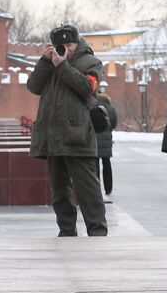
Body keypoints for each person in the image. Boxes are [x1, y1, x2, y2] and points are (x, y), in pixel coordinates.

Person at [27, 24, 108, 237]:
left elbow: (87, 88)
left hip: (78, 136)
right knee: (59, 191)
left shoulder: (91, 62)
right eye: (61, 45)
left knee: (87, 190)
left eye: (70, 44)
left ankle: (98, 232)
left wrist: (62, 66)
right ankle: (66, 231)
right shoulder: (51, 62)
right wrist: (46, 61)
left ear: (77, 42)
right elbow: (33, 86)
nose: (66, 49)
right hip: (53, 136)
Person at [95, 80, 118, 201]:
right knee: (107, 163)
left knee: (95, 164)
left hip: (94, 138)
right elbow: (114, 123)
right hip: (107, 139)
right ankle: (109, 188)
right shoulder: (110, 108)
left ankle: (96, 187)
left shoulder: (92, 106)